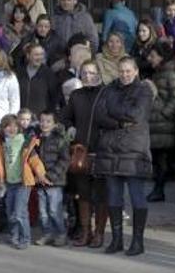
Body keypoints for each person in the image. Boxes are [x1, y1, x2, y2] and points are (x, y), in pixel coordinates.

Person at [93, 57, 154, 256]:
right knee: (113, 198)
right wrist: (119, 121)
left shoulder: (144, 90)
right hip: (110, 150)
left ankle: (138, 242)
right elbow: (99, 115)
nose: (125, 74)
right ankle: (117, 239)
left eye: (128, 71)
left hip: (133, 151)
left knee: (137, 197)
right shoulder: (108, 89)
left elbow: (136, 115)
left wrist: (113, 111)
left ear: (136, 71)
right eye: (122, 71)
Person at [61, 60, 108, 248]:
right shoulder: (76, 95)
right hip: (80, 151)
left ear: (99, 73)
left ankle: (99, 233)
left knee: (100, 195)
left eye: (92, 72)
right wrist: (70, 127)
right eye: (85, 73)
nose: (88, 76)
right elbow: (64, 116)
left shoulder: (106, 93)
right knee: (83, 194)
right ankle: (85, 232)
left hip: (101, 151)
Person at [0, 114, 45, 250]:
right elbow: (0, 161)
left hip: (23, 182)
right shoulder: (2, 142)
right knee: (10, 210)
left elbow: (34, 159)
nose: (12, 129)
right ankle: (14, 236)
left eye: (15, 126)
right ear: (3, 128)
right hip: (10, 183)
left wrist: (40, 173)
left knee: (20, 212)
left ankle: (25, 238)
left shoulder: (23, 140)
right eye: (8, 126)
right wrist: (0, 178)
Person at [145, 43, 175, 203]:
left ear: (161, 56)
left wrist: (164, 114)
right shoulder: (159, 73)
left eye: (153, 55)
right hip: (157, 124)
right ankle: (157, 189)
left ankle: (159, 190)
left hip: (163, 124)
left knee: (162, 160)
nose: (149, 59)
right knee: (158, 160)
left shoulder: (170, 74)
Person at [34, 110, 70, 247]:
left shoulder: (60, 139)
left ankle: (61, 233)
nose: (44, 124)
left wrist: (49, 176)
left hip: (55, 182)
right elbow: (32, 159)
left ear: (55, 124)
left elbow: (64, 160)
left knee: (54, 210)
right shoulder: (36, 138)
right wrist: (37, 176)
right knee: (43, 212)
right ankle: (47, 233)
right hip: (40, 181)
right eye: (42, 120)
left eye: (48, 121)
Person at [16, 44, 60, 117]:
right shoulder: (19, 73)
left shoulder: (48, 74)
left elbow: (55, 98)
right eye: (36, 55)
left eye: (41, 54)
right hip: (21, 118)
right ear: (28, 56)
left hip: (40, 118)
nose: (39, 58)